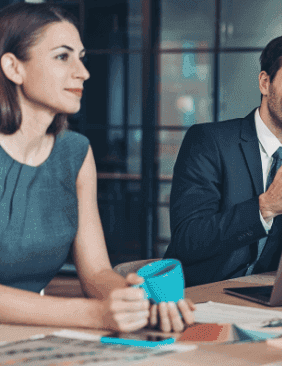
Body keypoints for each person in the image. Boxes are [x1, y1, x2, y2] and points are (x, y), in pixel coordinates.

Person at [0, 3, 194, 333]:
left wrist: (140, 299)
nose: (83, 72)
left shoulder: (75, 152)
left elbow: (96, 273)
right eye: (63, 56)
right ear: (13, 67)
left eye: (81, 56)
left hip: (27, 335)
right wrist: (93, 315)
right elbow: (91, 309)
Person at [165, 33, 282, 287]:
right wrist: (264, 207)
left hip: (271, 295)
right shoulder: (209, 141)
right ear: (265, 83)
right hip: (201, 295)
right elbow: (188, 240)